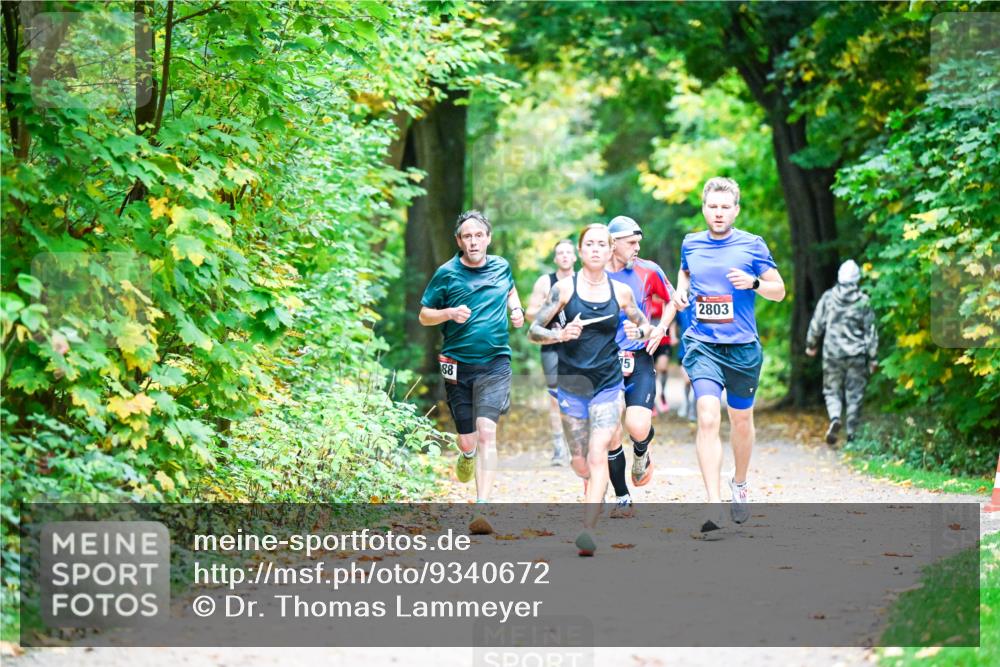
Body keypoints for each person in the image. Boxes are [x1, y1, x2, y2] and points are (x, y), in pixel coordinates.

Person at [528, 224, 660, 556]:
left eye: (603, 244)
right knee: (580, 462)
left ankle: (588, 529)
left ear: (610, 248)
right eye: (590, 244)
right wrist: (560, 336)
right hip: (572, 384)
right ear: (581, 250)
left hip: (607, 383)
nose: (597, 249)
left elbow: (646, 326)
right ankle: (589, 492)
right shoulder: (565, 290)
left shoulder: (622, 293)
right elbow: (533, 330)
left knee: (598, 451)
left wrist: (638, 330)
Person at [674, 177, 786, 538]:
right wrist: (680, 292)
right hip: (703, 344)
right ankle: (712, 502)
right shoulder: (691, 243)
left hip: (741, 349)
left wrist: (753, 284)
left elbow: (780, 291)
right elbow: (686, 271)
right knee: (707, 417)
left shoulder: (752, 246)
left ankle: (739, 483)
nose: (718, 213)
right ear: (704, 208)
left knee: (741, 420)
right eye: (712, 207)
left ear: (735, 210)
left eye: (725, 207)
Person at [419, 210, 524, 534]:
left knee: (487, 431)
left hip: (495, 361)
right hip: (457, 364)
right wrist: (448, 312)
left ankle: (482, 507)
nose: (474, 241)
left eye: (479, 235)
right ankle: (467, 455)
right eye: (467, 236)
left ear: (488, 238)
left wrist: (516, 309)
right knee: (468, 440)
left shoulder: (502, 266)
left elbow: (510, 289)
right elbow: (424, 315)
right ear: (459, 241)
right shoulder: (446, 273)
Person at [604, 216, 675, 516]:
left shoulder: (649, 270)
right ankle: (622, 496)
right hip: (604, 361)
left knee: (637, 426)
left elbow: (673, 300)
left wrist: (660, 328)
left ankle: (641, 451)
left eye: (638, 243)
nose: (637, 248)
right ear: (612, 243)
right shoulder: (594, 275)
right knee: (609, 431)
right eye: (631, 243)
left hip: (639, 357)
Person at [805, 259, 879, 446]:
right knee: (855, 394)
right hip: (856, 355)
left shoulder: (829, 297)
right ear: (857, 279)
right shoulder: (863, 301)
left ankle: (835, 418)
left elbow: (817, 323)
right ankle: (852, 435)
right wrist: (873, 357)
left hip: (832, 354)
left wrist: (811, 345)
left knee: (832, 391)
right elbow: (870, 331)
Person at [525, 239, 577, 466]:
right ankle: (559, 448)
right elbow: (529, 314)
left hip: (578, 344)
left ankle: (578, 445)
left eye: (568, 252)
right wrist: (550, 306)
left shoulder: (584, 280)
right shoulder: (545, 282)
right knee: (556, 397)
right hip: (552, 344)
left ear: (575, 257)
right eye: (560, 253)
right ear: (555, 259)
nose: (565, 256)